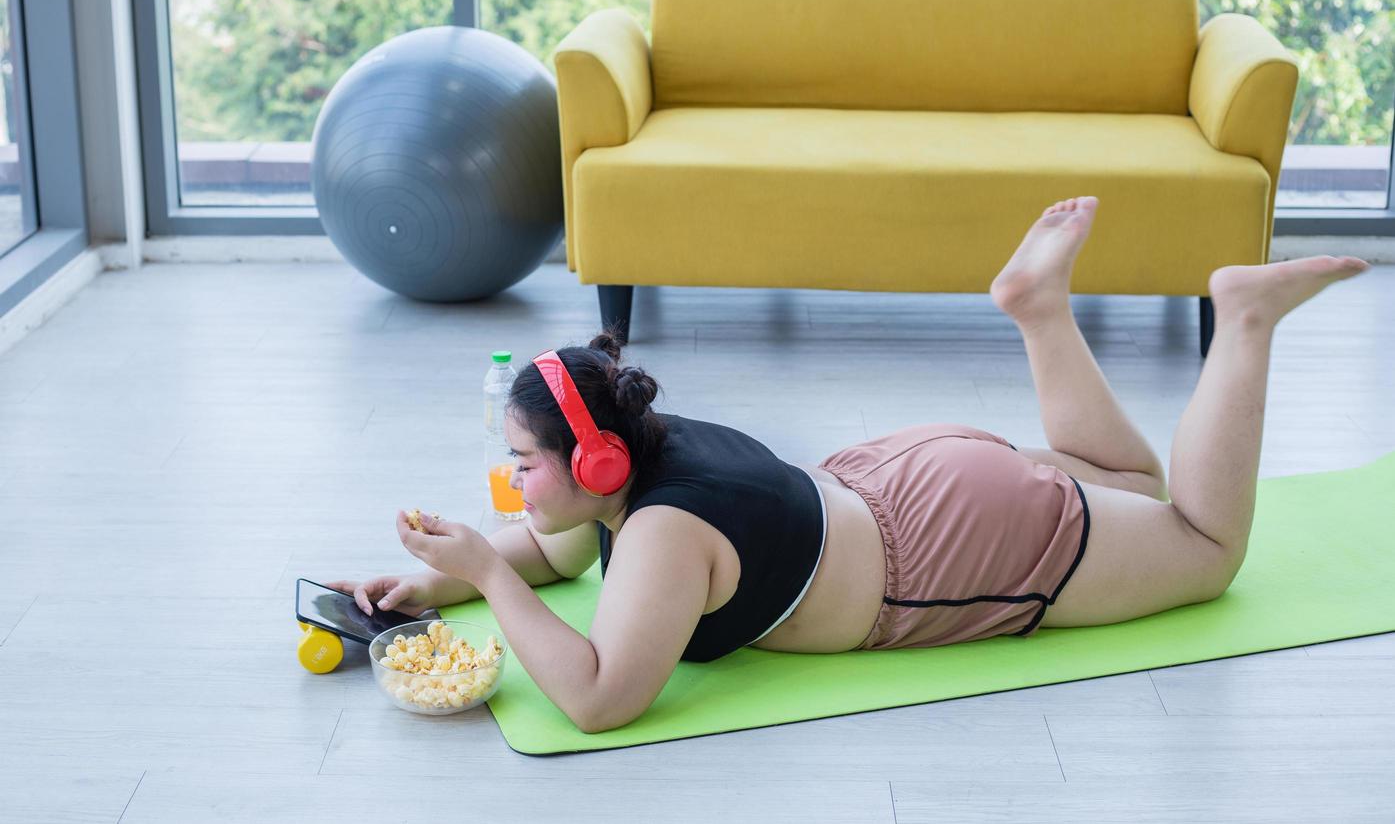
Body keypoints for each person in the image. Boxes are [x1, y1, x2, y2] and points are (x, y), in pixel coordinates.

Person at [332, 195, 1369, 734]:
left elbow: (600, 698)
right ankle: (1038, 307)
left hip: (943, 551)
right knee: (1129, 491)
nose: (513, 483)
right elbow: (561, 544)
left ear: (596, 457)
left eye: (522, 459)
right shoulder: (635, 456)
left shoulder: (659, 535)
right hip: (905, 475)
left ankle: (1243, 318)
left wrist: (487, 573)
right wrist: (430, 576)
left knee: (1201, 541)